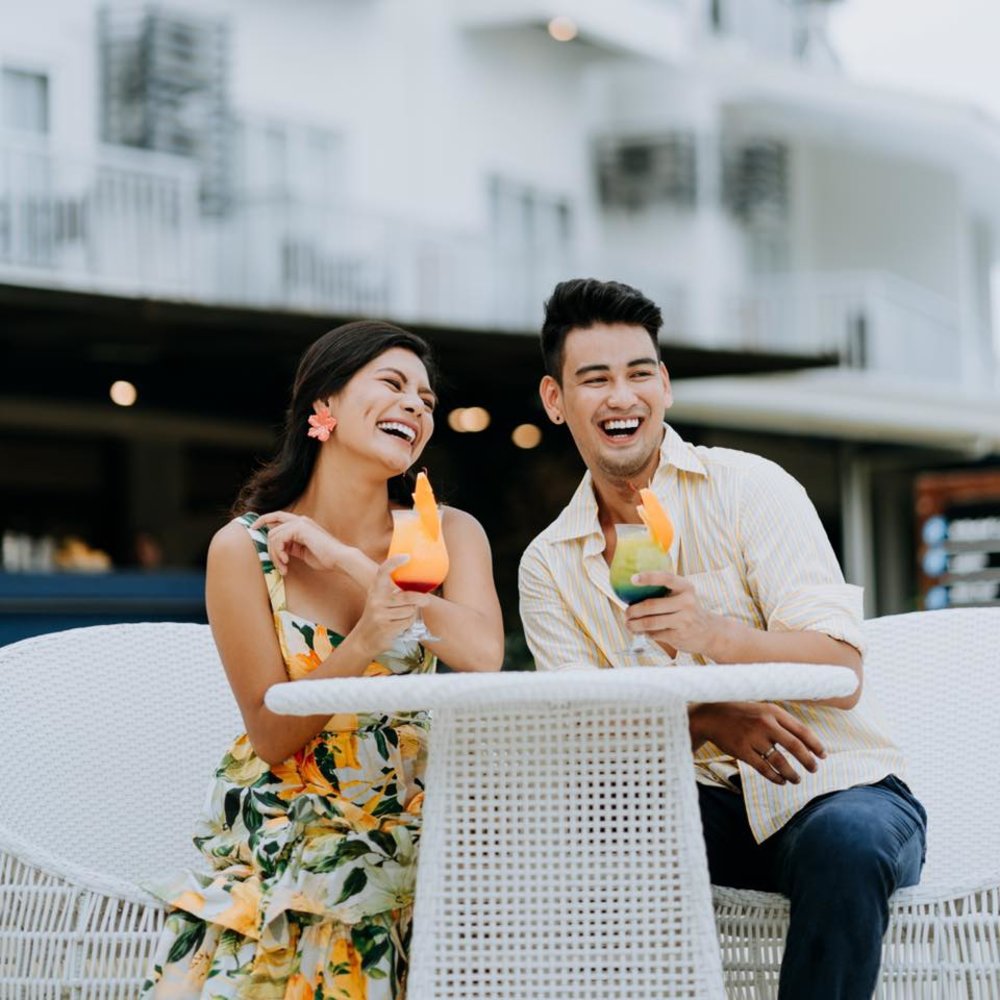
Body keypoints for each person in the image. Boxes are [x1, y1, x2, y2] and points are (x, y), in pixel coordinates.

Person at [518, 278, 927, 1000]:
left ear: (665, 386)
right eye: (596, 379)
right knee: (579, 843)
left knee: (846, 845)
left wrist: (716, 636)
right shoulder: (549, 566)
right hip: (689, 810)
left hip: (831, 786)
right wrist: (708, 718)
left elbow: (841, 670)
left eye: (640, 373)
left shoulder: (750, 488)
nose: (623, 397)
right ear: (556, 401)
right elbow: (585, 738)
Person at [141, 320, 504, 999]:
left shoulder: (449, 531)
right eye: (393, 385)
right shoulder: (241, 549)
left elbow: (482, 653)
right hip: (287, 833)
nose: (416, 408)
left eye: (426, 401)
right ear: (324, 408)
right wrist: (364, 644)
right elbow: (273, 735)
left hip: (417, 826)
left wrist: (348, 563)